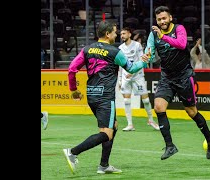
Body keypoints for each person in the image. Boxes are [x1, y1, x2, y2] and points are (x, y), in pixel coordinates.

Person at [63, 21, 149, 174]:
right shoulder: (115, 52)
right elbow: (131, 68)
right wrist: (143, 61)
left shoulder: (87, 49)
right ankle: (73, 152)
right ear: (108, 34)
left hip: (92, 95)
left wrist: (73, 90)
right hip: (105, 97)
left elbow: (71, 69)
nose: (116, 35)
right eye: (115, 32)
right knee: (106, 133)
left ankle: (104, 165)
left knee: (113, 126)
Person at [141, 6, 210, 160]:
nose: (162, 21)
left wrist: (163, 36)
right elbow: (149, 54)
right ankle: (170, 146)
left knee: (191, 112)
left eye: (164, 18)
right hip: (167, 78)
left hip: (184, 77)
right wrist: (146, 57)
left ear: (170, 18)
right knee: (158, 106)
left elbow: (182, 44)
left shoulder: (179, 29)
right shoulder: (153, 35)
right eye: (159, 19)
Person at [118, 27, 159, 131]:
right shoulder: (120, 48)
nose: (122, 35)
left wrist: (132, 73)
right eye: (121, 34)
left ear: (129, 34)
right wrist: (119, 80)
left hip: (137, 76)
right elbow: (119, 65)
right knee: (126, 100)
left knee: (145, 100)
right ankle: (130, 124)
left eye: (124, 33)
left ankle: (151, 120)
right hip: (125, 77)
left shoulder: (137, 45)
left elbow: (143, 60)